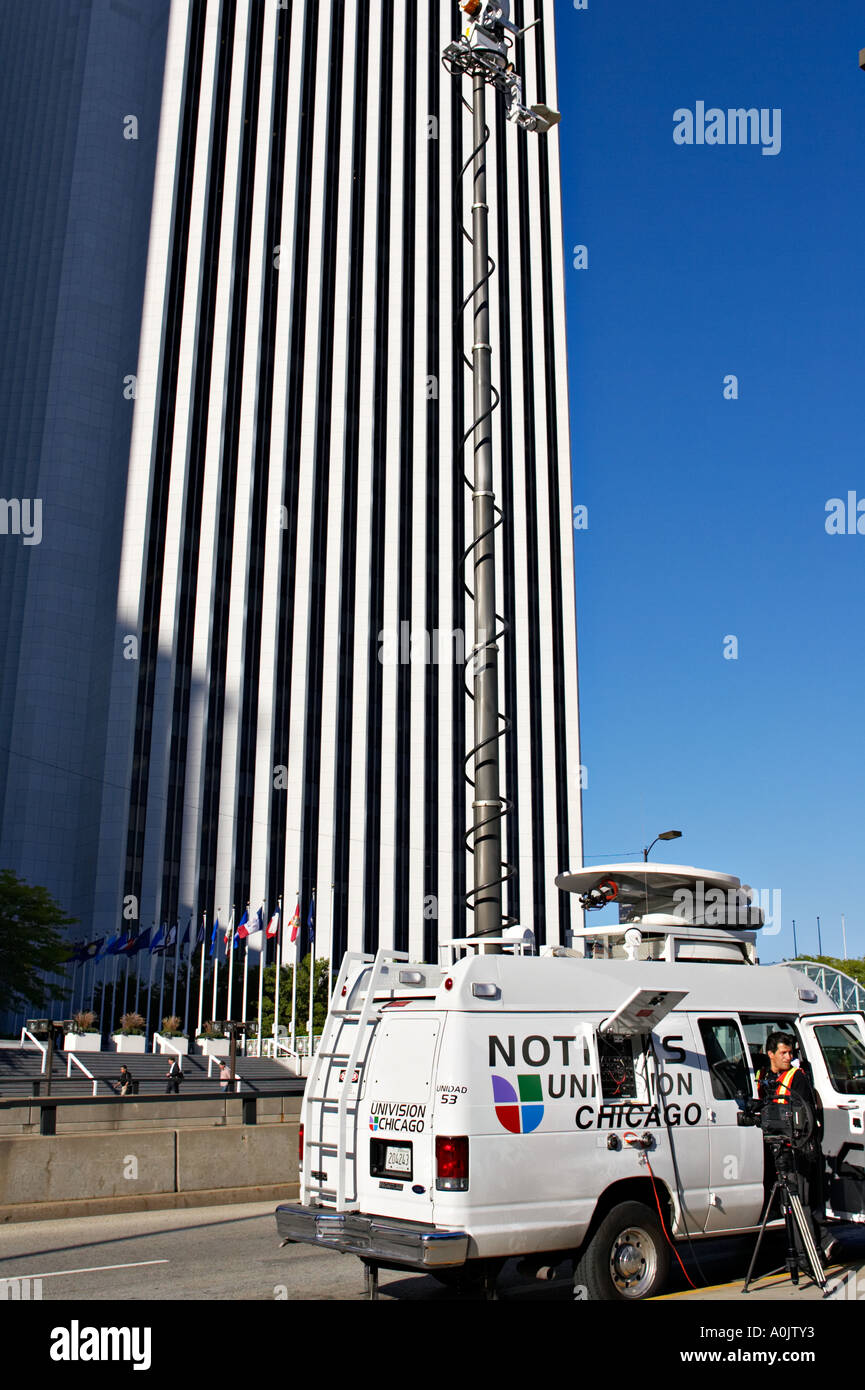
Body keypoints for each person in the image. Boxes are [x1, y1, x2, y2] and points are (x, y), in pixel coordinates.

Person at [758, 1031, 839, 1264]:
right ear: (770, 1054)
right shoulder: (764, 1076)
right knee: (793, 1204)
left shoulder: (797, 1077)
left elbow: (805, 1117)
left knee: (798, 1203)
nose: (788, 1056)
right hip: (777, 1147)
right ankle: (826, 1242)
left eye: (790, 1052)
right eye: (783, 1052)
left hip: (797, 1150)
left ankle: (812, 1256)